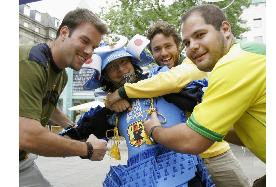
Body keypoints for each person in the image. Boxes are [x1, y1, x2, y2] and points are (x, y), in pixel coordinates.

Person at [107, 20, 251, 186]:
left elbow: (171, 81)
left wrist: (120, 93)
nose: (163, 53)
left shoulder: (193, 66)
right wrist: (111, 100)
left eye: (168, 46)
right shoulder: (151, 81)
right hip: (182, 164)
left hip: (215, 157)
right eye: (157, 49)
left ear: (179, 46)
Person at [61, 36, 214, 186]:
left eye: (124, 62)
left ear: (133, 63)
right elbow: (71, 139)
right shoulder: (109, 111)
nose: (121, 70)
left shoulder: (161, 82)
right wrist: (87, 148)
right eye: (113, 67)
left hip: (185, 171)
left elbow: (200, 100)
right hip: (141, 179)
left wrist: (133, 93)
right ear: (106, 76)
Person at [143, 5, 264, 187]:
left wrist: (154, 130)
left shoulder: (232, 64)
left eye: (200, 35)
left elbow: (193, 139)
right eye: (188, 42)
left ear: (225, 29)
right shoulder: (244, 54)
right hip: (185, 163)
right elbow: (245, 131)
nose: (193, 46)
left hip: (214, 154)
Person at [19, 8, 108, 187]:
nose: (90, 51)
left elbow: (47, 105)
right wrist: (87, 149)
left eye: (95, 47)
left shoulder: (61, 75)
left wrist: (74, 128)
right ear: (64, 32)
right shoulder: (31, 62)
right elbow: (26, 135)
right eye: (85, 41)